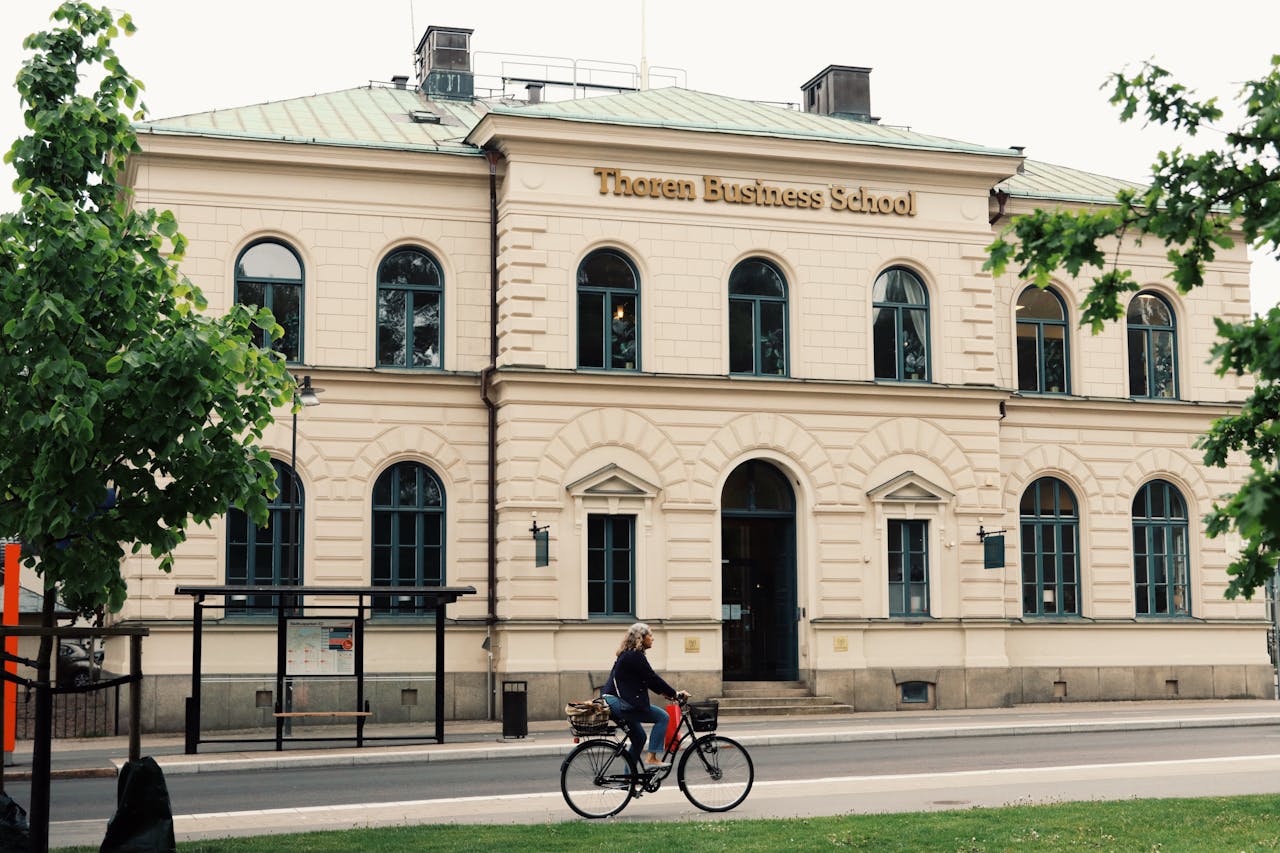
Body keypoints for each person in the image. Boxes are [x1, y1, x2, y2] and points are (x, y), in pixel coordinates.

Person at [601, 622, 688, 769]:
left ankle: (628, 780)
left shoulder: (629, 655)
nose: (652, 638)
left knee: (639, 738)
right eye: (650, 635)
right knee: (662, 717)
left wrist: (669, 694)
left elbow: (648, 681)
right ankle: (652, 757)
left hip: (613, 701)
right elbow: (652, 678)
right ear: (640, 637)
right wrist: (675, 694)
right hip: (619, 703)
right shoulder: (635, 656)